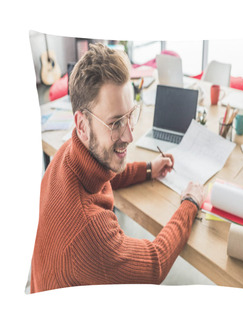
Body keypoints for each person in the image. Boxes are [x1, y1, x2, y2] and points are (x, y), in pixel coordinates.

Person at [30, 43, 205, 293]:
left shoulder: (68, 153)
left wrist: (149, 169)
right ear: (82, 124)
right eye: (115, 123)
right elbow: (155, 263)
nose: (130, 135)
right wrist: (190, 202)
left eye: (130, 115)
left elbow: (105, 175)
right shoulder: (90, 230)